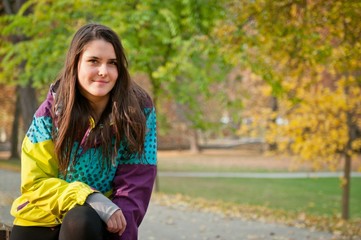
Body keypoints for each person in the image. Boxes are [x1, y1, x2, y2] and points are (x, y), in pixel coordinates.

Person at [9, 23, 157, 240]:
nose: (104, 71)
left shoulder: (138, 111)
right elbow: (35, 183)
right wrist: (88, 196)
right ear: (75, 64)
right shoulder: (49, 114)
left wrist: (120, 230)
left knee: (81, 220)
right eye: (93, 61)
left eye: (112, 63)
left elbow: (136, 183)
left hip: (97, 222)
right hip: (44, 216)